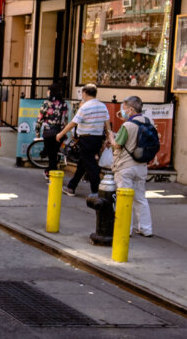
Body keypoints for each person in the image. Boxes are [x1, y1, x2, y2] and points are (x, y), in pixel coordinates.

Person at [55, 83, 110, 196]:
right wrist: (108, 138)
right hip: (97, 139)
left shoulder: (85, 107)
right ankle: (71, 187)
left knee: (91, 165)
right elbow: (107, 124)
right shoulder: (102, 106)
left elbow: (73, 123)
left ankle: (97, 192)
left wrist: (61, 134)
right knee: (83, 163)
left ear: (85, 93)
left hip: (86, 139)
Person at [112, 95, 154, 237]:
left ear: (130, 109)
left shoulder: (127, 126)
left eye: (124, 109)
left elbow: (117, 144)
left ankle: (125, 229)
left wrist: (110, 137)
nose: (122, 111)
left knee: (124, 198)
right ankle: (146, 229)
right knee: (140, 198)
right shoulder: (149, 122)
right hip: (142, 166)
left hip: (125, 166)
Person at [35, 82, 69, 180]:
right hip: (59, 132)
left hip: (48, 132)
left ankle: (50, 173)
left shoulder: (46, 103)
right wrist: (64, 132)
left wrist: (37, 131)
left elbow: (40, 118)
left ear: (51, 92)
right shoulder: (64, 104)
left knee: (51, 155)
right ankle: (50, 171)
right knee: (54, 154)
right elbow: (64, 119)